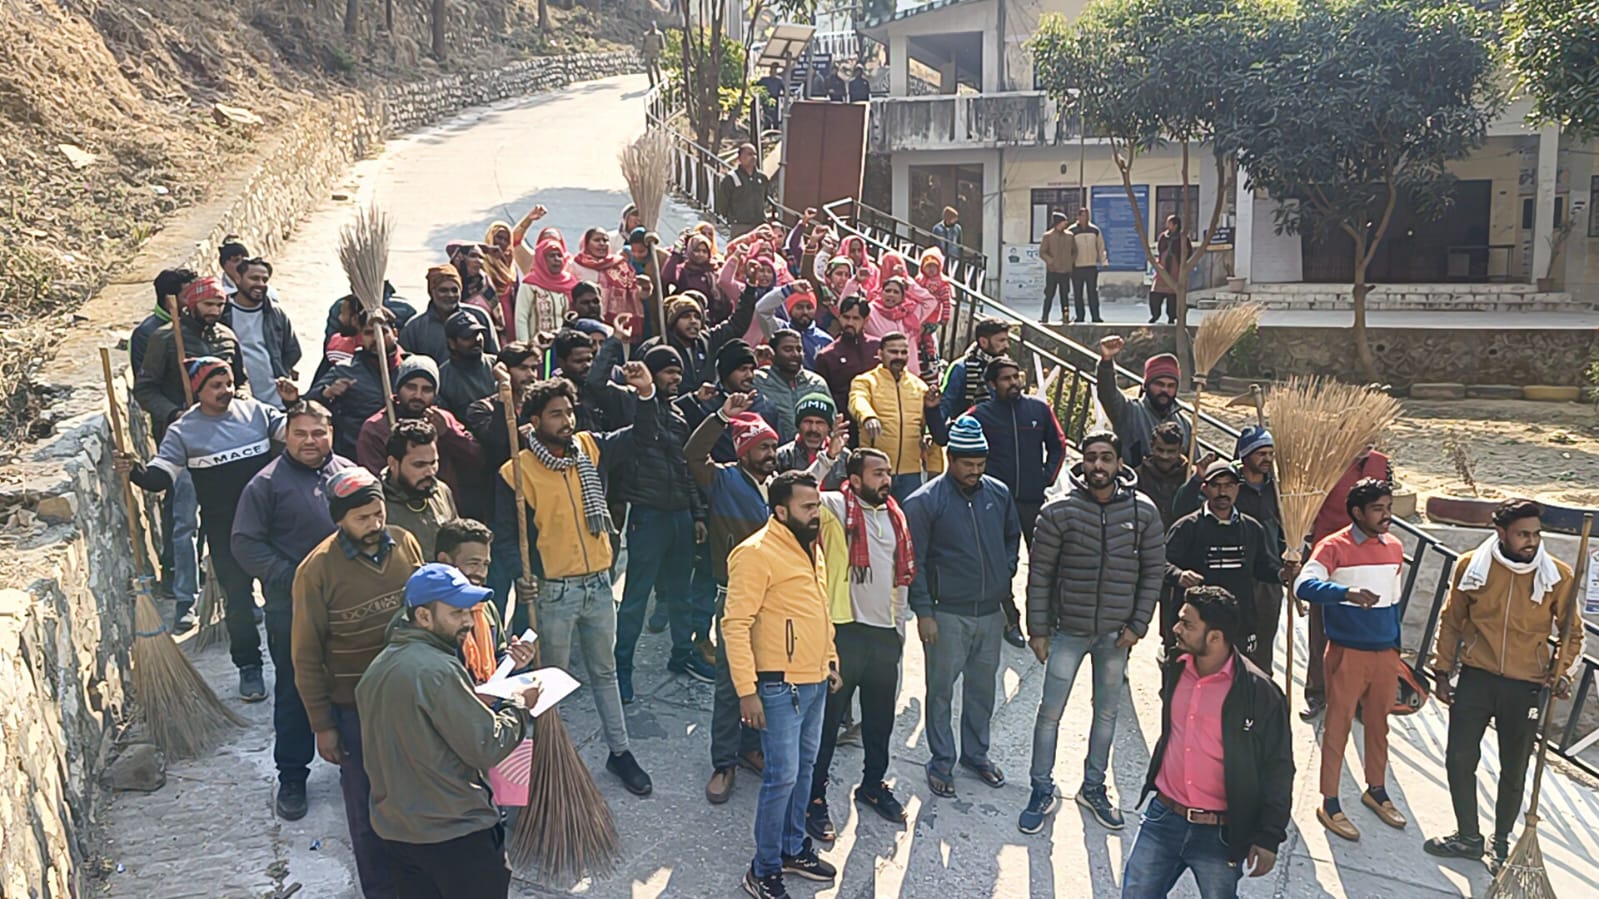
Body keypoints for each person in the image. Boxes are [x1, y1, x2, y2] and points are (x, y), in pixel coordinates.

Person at [492, 368, 656, 797]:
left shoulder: (587, 448)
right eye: (555, 414)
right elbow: (508, 537)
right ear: (534, 422)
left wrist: (645, 394)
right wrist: (520, 576)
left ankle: (619, 752)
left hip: (599, 585)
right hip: (553, 593)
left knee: (605, 672)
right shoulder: (516, 471)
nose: (566, 420)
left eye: (569, 412)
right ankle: (547, 759)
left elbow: (641, 435)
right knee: (549, 680)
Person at [356, 563, 535, 899]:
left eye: (469, 611)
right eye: (457, 613)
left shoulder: (378, 669)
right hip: (454, 837)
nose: (468, 622)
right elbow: (487, 745)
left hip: (399, 833)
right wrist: (519, 704)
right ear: (423, 617)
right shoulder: (439, 669)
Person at [292, 467, 427, 899]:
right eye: (362, 518)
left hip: (416, 698)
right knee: (368, 809)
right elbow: (306, 654)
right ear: (339, 520)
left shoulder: (405, 544)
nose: (374, 525)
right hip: (356, 711)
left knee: (422, 796)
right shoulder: (315, 572)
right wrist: (322, 725)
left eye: (378, 514)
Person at [1020, 429, 1165, 834]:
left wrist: (1138, 624)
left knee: (1107, 714)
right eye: (1091, 457)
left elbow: (1153, 572)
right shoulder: (1059, 511)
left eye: (1106, 457)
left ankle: (1094, 787)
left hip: (1116, 636)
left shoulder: (1143, 512)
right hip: (1069, 630)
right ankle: (1041, 788)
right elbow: (1040, 574)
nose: (1098, 465)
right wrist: (1038, 629)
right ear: (1081, 462)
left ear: (1119, 463)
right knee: (1050, 714)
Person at [1425, 499, 1580, 874]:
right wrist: (1442, 671)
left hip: (1526, 685)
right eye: (1523, 534)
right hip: (1477, 677)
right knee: (1459, 758)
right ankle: (1468, 836)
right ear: (1501, 533)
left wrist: (1562, 673)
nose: (1531, 541)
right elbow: (1451, 621)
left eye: (1536, 534)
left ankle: (1501, 841)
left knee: (1514, 768)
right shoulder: (1471, 567)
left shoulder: (1557, 575)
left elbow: (1572, 633)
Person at [118, 358, 287, 702]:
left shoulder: (256, 412)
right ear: (198, 390)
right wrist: (133, 469)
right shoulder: (183, 431)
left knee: (281, 602)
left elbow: (298, 434)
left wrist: (296, 402)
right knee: (238, 605)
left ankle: (289, 665)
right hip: (227, 534)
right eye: (216, 386)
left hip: (271, 526)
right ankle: (249, 668)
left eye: (227, 384)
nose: (225, 391)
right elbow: (160, 477)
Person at [1122, 586, 1294, 898]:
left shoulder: (1261, 693)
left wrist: (1269, 836)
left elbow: (1279, 769)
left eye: (1187, 624)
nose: (1176, 629)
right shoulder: (1175, 666)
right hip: (1163, 817)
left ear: (1215, 637)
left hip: (1220, 835)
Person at [231, 400, 355, 821]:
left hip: (347, 604)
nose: (310, 441)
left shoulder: (350, 475)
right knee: (296, 688)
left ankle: (359, 767)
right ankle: (292, 776)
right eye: (300, 433)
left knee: (354, 682)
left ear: (331, 433)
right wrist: (294, 576)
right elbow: (245, 544)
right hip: (293, 607)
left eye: (318, 433)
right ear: (286, 434)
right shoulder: (265, 485)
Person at [723, 471, 842, 899]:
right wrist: (746, 690)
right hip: (778, 688)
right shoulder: (755, 553)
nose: (816, 513)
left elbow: (819, 609)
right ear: (780, 510)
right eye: (807, 507)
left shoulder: (809, 547)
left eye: (817, 505)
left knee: (804, 770)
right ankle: (764, 867)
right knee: (782, 777)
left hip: (813, 682)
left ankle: (793, 848)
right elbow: (734, 625)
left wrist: (829, 659)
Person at [905, 416, 1022, 800]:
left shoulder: (999, 493)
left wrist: (1005, 574)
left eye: (980, 463)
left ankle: (976, 755)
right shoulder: (924, 502)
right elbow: (914, 563)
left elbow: (1011, 537)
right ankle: (941, 761)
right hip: (946, 614)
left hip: (990, 613)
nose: (975, 471)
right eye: (967, 464)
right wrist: (924, 612)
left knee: (982, 690)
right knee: (940, 691)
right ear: (950, 458)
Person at [805, 448, 912, 844]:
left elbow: (901, 576)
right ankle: (813, 798)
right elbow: (794, 491)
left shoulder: (895, 515)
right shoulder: (835, 505)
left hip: (884, 635)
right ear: (854, 478)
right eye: (877, 473)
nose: (885, 480)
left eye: (887, 472)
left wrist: (898, 629)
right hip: (845, 631)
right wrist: (824, 459)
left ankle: (872, 784)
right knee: (828, 723)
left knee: (880, 719)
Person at [1293, 478, 1407, 843]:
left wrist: (1397, 652)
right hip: (1346, 652)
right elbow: (1303, 586)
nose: (1387, 515)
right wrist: (1346, 593)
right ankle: (1329, 801)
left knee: (1378, 726)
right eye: (1378, 509)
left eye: (1388, 508)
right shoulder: (1332, 546)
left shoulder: (1395, 547)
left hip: (1385, 653)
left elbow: (1393, 603)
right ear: (1357, 512)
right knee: (1338, 727)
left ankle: (1376, 790)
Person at [686, 394, 783, 805]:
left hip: (774, 600)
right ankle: (723, 762)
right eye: (762, 447)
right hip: (734, 599)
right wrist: (722, 416)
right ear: (744, 451)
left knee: (764, 679)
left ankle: (750, 747)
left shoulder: (779, 486)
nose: (770, 454)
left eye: (773, 447)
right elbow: (692, 454)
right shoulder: (723, 480)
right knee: (731, 683)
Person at [614, 347, 716, 698]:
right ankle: (621, 668)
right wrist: (618, 344)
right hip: (648, 514)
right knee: (636, 597)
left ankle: (682, 654)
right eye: (667, 372)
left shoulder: (677, 416)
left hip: (680, 516)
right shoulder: (635, 407)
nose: (674, 378)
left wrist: (697, 514)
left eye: (677, 372)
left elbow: (686, 468)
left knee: (680, 593)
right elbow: (602, 385)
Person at [1175, 427, 1284, 670]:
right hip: (1205, 606)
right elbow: (1165, 560)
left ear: (1235, 488)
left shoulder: (1270, 499)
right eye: (1217, 485)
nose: (1223, 492)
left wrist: (1282, 572)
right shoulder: (1190, 526)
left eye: (1229, 486)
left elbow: (1267, 559)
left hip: (1251, 594)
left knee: (1252, 654)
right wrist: (1179, 576)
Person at [131, 268, 201, 628]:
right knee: (182, 515)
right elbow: (146, 387)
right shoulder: (151, 336)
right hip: (177, 436)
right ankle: (178, 582)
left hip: (214, 437)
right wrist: (175, 414)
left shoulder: (218, 332)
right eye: (195, 292)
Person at [1302, 447, 1392, 721]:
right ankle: (1317, 691)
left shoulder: (1381, 463)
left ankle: (1361, 698)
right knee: (1321, 627)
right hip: (1328, 552)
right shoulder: (1326, 460)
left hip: (1367, 555)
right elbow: (1308, 507)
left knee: (1362, 629)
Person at [354, 355, 485, 517]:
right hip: (397, 514)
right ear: (398, 388)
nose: (418, 395)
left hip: (441, 510)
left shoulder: (443, 420)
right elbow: (374, 481)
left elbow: (477, 459)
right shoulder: (375, 428)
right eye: (411, 387)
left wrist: (449, 434)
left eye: (426, 389)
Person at [134, 276, 249, 437]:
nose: (215, 311)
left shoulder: (228, 336)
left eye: (220, 305)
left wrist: (241, 397)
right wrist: (175, 414)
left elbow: (241, 380)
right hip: (180, 431)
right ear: (193, 303)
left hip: (225, 426)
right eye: (208, 304)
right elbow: (145, 389)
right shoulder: (166, 338)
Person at [310, 307, 404, 460]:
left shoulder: (412, 369)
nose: (376, 338)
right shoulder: (344, 370)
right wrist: (327, 394)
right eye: (369, 333)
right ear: (361, 337)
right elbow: (309, 405)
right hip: (357, 456)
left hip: (403, 457)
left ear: (395, 333)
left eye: (383, 332)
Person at [1095, 335, 1189, 467]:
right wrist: (1106, 361)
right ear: (1146, 385)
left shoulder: (1185, 425)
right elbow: (1107, 393)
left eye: (1171, 385)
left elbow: (1194, 466)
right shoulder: (1129, 411)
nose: (1165, 390)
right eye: (1159, 384)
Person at [223, 257, 300, 409]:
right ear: (237, 279)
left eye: (264, 280)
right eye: (254, 278)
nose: (260, 284)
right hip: (238, 401)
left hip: (276, 402)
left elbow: (293, 351)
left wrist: (279, 372)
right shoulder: (223, 313)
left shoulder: (276, 313)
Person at [380, 420, 456, 557]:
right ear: (393, 463)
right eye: (419, 465)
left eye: (433, 463)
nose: (430, 472)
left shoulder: (442, 491)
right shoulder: (376, 504)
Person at [399, 265, 499, 364]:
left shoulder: (479, 317)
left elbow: (495, 358)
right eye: (443, 290)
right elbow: (406, 366)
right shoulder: (414, 328)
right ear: (431, 292)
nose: (450, 295)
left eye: (454, 290)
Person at [754, 329, 831, 443]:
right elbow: (729, 383)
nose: (795, 354)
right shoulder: (758, 380)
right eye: (788, 349)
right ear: (772, 353)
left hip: (812, 451)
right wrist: (754, 359)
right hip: (772, 451)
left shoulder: (817, 383)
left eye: (799, 349)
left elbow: (831, 421)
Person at [813, 296, 879, 423]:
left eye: (855, 318)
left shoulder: (878, 347)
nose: (850, 323)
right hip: (846, 422)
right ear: (839, 317)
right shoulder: (827, 355)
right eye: (846, 317)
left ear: (866, 320)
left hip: (879, 418)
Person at [571, 228, 647, 327]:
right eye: (597, 240)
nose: (602, 243)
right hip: (586, 322)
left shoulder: (621, 265)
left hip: (618, 324)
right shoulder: (575, 265)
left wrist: (645, 288)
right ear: (586, 243)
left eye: (605, 240)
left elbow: (635, 292)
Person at [939, 318, 1011, 419]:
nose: (1007, 345)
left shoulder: (1008, 367)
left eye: (1007, 340)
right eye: (1001, 341)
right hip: (967, 429)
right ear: (983, 342)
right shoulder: (960, 368)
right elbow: (946, 403)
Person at [776, 393, 849, 490]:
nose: (813, 429)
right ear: (798, 425)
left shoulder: (845, 457)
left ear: (829, 427)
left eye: (820, 423)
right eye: (807, 422)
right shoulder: (782, 456)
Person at [754, 281, 834, 368]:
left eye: (809, 307)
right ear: (790, 310)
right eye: (799, 307)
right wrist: (788, 289)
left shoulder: (826, 340)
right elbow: (761, 310)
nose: (805, 312)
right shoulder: (779, 330)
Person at [515, 234, 579, 342]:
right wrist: (524, 346)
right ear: (541, 259)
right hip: (537, 346)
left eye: (559, 255)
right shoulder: (530, 284)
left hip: (563, 347)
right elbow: (521, 317)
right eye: (551, 256)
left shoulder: (571, 283)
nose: (557, 259)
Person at [436, 310, 497, 421]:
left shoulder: (498, 366)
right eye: (468, 337)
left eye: (478, 334)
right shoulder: (442, 378)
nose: (477, 340)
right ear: (452, 343)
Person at [1136, 421, 1190, 530]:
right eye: (1160, 450)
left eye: (1171, 451)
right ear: (1151, 446)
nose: (1164, 456)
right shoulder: (1138, 475)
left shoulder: (1191, 476)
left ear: (1181, 450)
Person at [716, 144, 772, 238]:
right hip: (740, 226)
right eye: (749, 154)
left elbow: (766, 197)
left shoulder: (762, 178)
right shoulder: (731, 178)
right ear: (740, 157)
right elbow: (722, 202)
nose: (753, 157)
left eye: (755, 154)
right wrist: (731, 218)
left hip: (759, 225)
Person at [1068, 208, 1110, 323]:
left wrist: (1103, 261)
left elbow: (1100, 246)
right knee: (1078, 293)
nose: (1085, 218)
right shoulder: (1071, 230)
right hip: (1076, 267)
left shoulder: (1094, 230)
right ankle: (1080, 316)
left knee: (1092, 292)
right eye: (1083, 216)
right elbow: (1067, 248)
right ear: (1078, 217)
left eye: (1087, 216)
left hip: (1091, 266)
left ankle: (1095, 316)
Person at [1149, 215, 1191, 324]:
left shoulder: (1182, 238)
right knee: (1155, 293)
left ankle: (1172, 317)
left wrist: (1181, 263)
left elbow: (1188, 252)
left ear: (1176, 225)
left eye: (1170, 223)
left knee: (1172, 295)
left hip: (1175, 268)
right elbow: (1160, 249)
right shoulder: (1163, 236)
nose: (1167, 225)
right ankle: (1155, 315)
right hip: (1163, 267)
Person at [1037, 212, 1074, 325]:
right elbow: (1042, 252)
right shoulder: (1048, 236)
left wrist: (1070, 261)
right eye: (1063, 222)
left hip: (1065, 271)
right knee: (1049, 294)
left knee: (1065, 295)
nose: (1065, 224)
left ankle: (1066, 316)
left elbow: (1074, 251)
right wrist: (1050, 261)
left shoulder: (1070, 236)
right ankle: (1045, 316)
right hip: (1052, 271)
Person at [642, 21, 665, 87]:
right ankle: (651, 83)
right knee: (649, 68)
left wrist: (663, 52)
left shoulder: (659, 34)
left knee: (656, 66)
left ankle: (659, 79)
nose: (652, 28)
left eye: (654, 26)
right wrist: (642, 52)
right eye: (651, 26)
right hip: (648, 53)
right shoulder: (646, 35)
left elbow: (662, 45)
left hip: (655, 53)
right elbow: (643, 44)